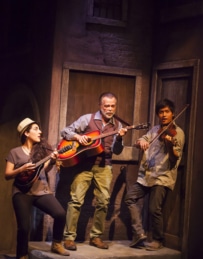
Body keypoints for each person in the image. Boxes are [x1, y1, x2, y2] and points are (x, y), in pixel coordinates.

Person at [57, 92, 127, 250]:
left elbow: (117, 150)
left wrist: (121, 138)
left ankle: (96, 237)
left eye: (112, 106)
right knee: (76, 201)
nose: (109, 109)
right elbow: (65, 131)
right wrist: (77, 137)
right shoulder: (87, 119)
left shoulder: (118, 126)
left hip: (105, 166)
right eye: (106, 106)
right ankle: (69, 238)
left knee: (103, 202)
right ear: (100, 106)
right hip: (84, 165)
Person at [5, 118, 70, 259]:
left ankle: (56, 243)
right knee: (24, 227)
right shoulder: (15, 152)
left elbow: (44, 170)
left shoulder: (41, 151)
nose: (40, 131)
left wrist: (52, 161)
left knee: (60, 214)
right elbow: (7, 175)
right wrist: (21, 169)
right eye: (36, 129)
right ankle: (22, 256)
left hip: (41, 190)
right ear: (26, 133)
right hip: (22, 192)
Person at [125, 99, 185, 250]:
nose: (164, 115)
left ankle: (158, 240)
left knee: (153, 209)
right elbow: (141, 141)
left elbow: (174, 158)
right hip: (146, 175)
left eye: (167, 112)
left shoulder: (177, 133)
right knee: (129, 198)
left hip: (162, 176)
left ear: (173, 113)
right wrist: (141, 143)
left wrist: (170, 145)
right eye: (161, 112)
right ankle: (139, 233)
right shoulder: (154, 130)